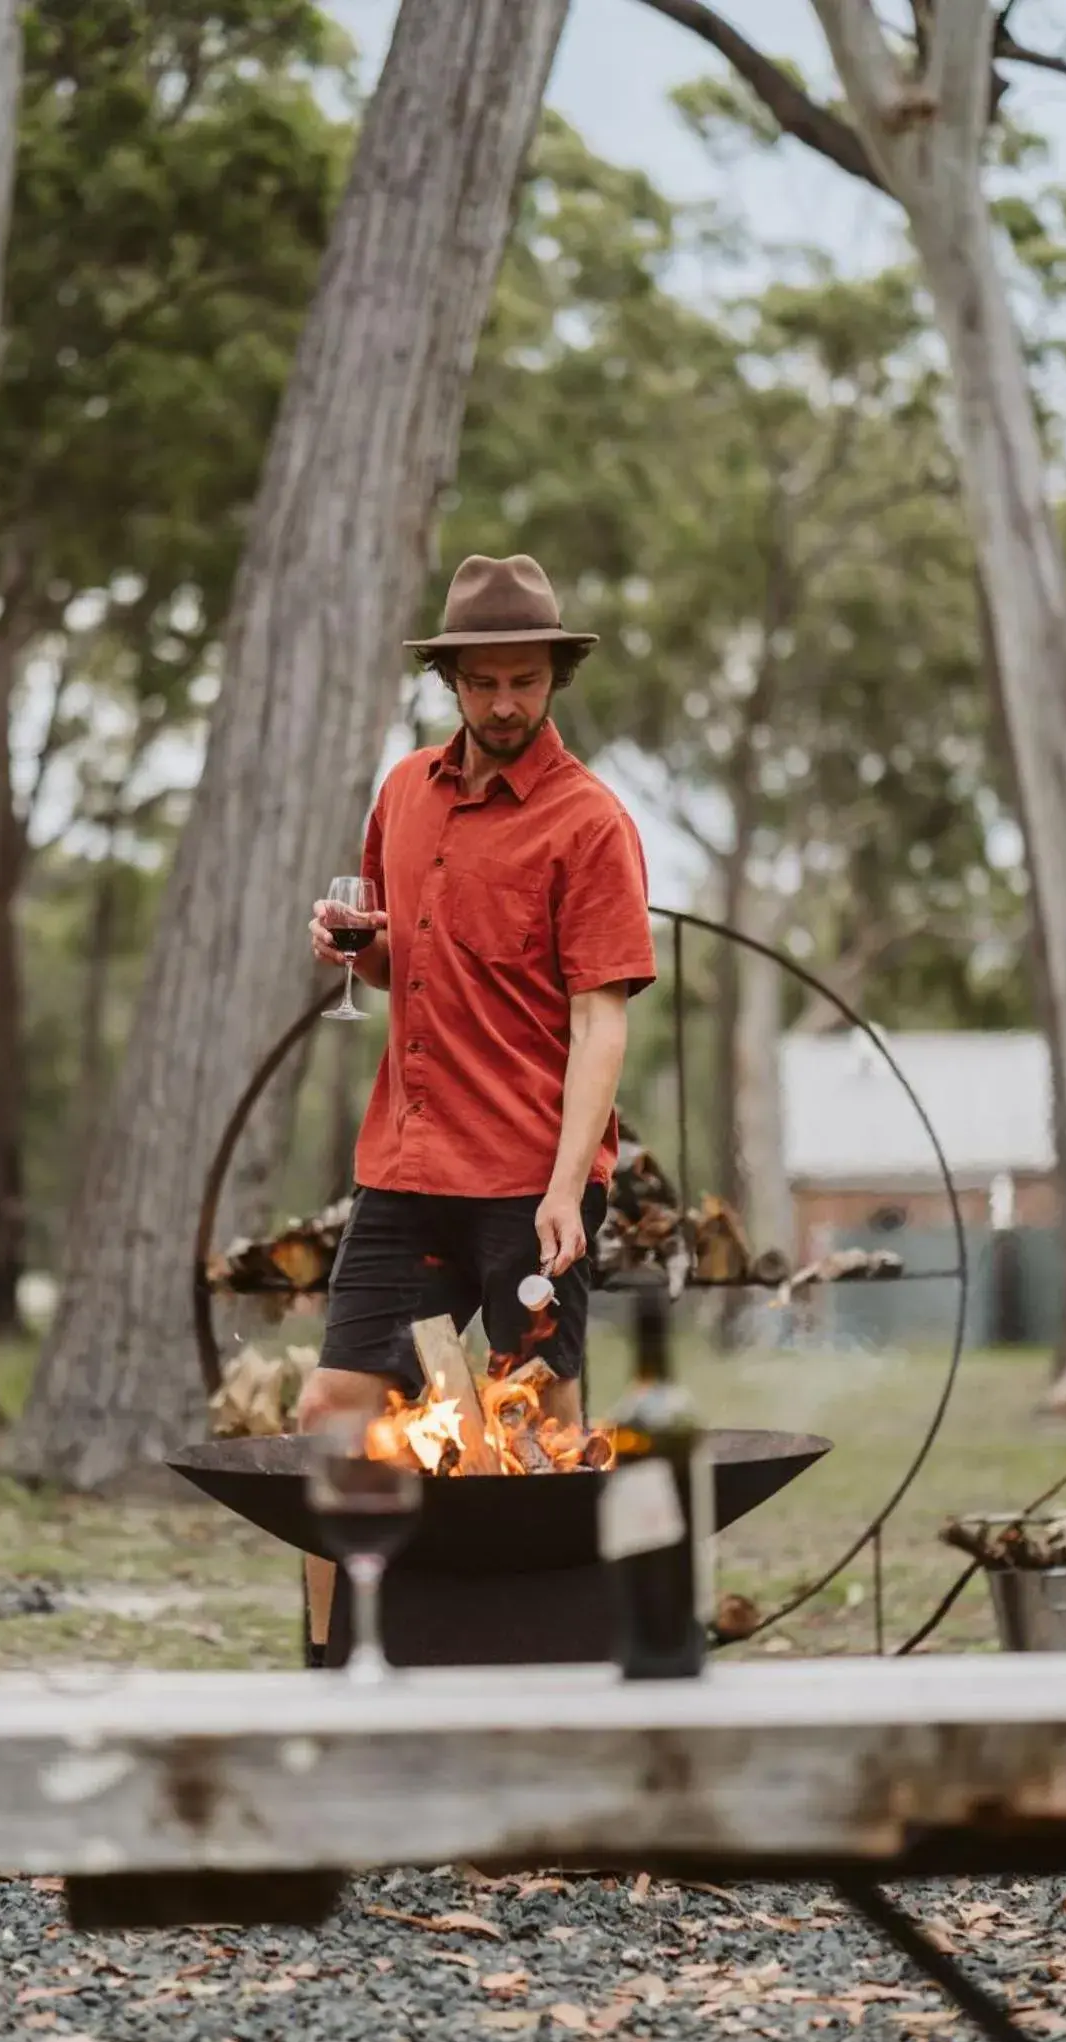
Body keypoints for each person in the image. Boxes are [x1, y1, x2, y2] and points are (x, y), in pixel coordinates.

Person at [299, 552, 656, 1658]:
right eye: (486, 681)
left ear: (555, 676)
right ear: (451, 678)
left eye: (527, 681)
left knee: (546, 1442)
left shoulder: (589, 822)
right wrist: (348, 950)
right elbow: (404, 965)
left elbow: (602, 1020)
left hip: (526, 1188)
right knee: (333, 1415)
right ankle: (329, 1667)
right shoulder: (404, 793)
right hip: (405, 1172)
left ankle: (564, 1671)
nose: (507, 703)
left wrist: (566, 1190)